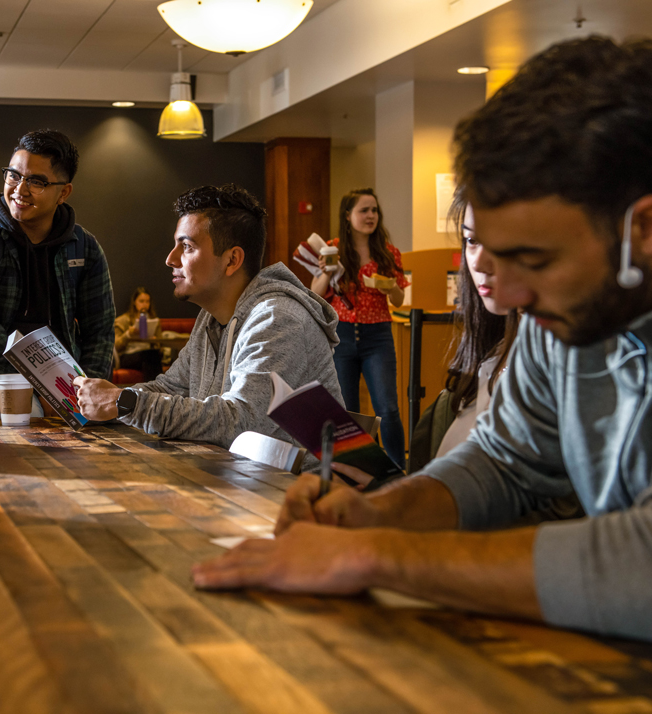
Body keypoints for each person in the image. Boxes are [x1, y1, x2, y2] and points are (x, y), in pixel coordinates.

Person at [191, 36, 652, 641]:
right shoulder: (561, 313)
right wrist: (381, 512)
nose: (506, 294)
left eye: (534, 258)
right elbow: (507, 463)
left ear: (642, 229)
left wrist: (376, 555)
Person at [73, 184, 342, 458]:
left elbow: (240, 422)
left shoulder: (277, 318)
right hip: (240, 480)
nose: (170, 259)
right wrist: (104, 398)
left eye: (187, 246)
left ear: (232, 260)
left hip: (306, 491)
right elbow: (170, 388)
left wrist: (124, 403)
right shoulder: (210, 319)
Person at [0, 129, 115, 417]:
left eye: (37, 181)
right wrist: (44, 387)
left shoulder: (84, 247)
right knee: (27, 418)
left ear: (63, 192)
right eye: (14, 175)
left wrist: (87, 391)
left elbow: (100, 332)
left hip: (66, 377)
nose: (20, 189)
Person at [298, 189, 409, 466]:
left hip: (378, 335)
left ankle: (396, 470)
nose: (371, 216)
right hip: (342, 335)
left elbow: (399, 299)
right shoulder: (333, 249)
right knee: (346, 411)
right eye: (364, 210)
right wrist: (325, 271)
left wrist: (390, 284)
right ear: (348, 216)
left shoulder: (388, 252)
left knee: (388, 409)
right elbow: (316, 293)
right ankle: (352, 469)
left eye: (374, 210)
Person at [408, 201, 521, 469]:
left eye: (499, 242)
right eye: (471, 240)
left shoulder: (560, 357)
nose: (480, 262)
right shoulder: (491, 351)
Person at [115, 286, 164, 382]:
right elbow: (116, 345)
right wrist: (128, 334)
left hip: (148, 354)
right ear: (134, 302)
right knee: (150, 356)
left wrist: (154, 341)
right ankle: (156, 389)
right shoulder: (123, 320)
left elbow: (160, 345)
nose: (145, 305)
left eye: (147, 301)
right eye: (141, 301)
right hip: (128, 355)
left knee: (152, 355)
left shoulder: (153, 320)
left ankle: (152, 389)